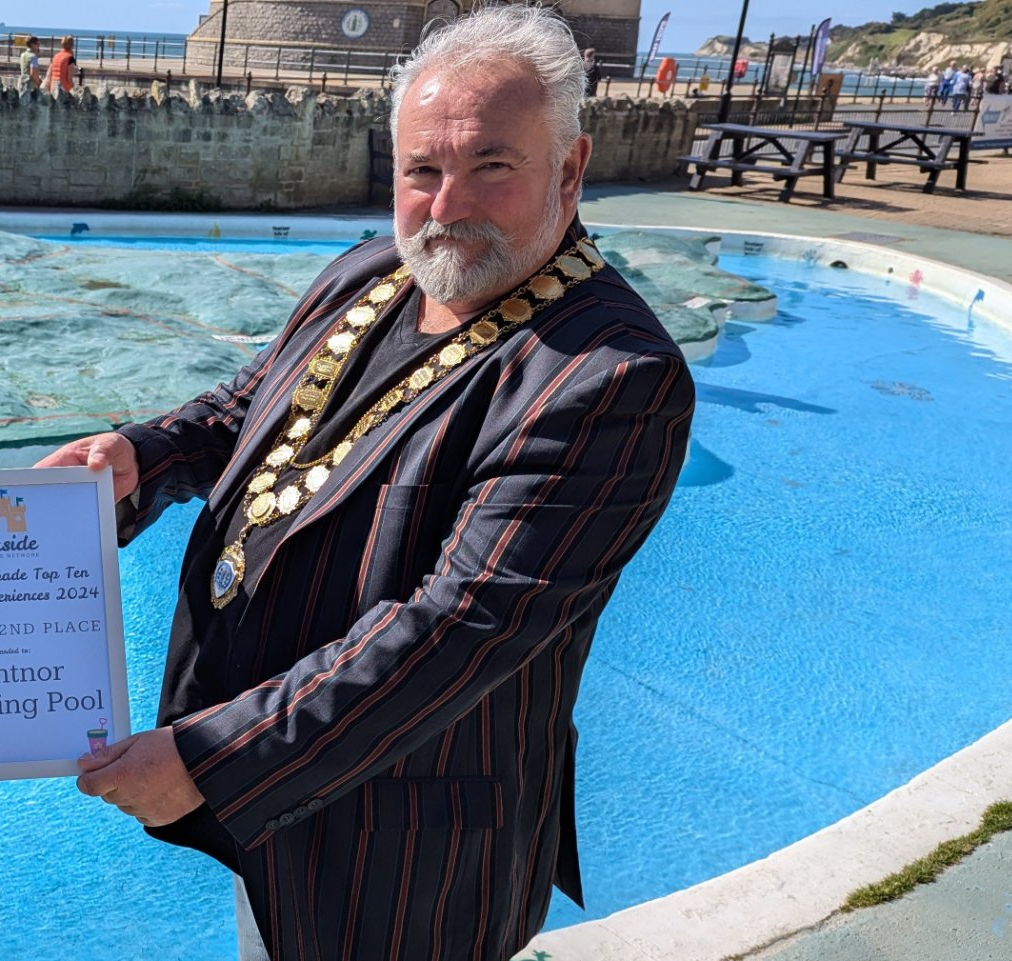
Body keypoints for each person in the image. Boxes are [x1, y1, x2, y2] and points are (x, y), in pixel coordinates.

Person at [41, 6, 694, 960]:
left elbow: (464, 625)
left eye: (490, 167)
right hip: (281, 801)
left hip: (406, 849)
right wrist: (146, 453)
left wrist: (217, 759)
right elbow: (252, 405)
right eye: (423, 171)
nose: (446, 205)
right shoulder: (372, 270)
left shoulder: (610, 375)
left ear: (570, 168)